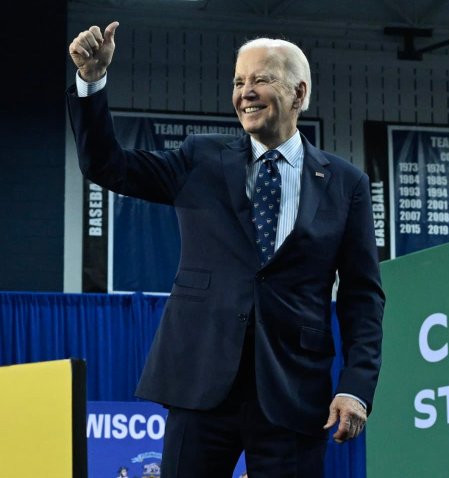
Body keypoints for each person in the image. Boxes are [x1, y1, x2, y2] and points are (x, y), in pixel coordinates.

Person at [68, 21, 385, 477]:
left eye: (260, 79)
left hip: (292, 391)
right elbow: (107, 165)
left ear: (299, 93)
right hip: (200, 382)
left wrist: (355, 386)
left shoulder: (346, 183)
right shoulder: (200, 158)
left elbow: (362, 295)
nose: (246, 92)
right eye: (238, 82)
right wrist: (91, 81)